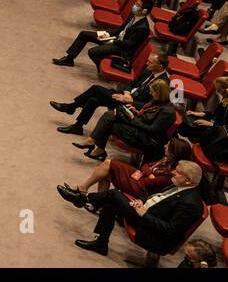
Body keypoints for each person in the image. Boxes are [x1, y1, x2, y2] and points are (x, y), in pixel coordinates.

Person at [74, 161, 204, 258]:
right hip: (145, 212)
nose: (173, 172)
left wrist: (144, 214)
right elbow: (155, 196)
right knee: (112, 199)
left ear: (188, 180)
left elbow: (170, 231)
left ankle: (83, 198)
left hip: (153, 233)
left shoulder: (191, 204)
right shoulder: (180, 184)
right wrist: (141, 201)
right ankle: (101, 243)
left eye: (178, 172)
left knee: (114, 194)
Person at [51, 50, 170, 135]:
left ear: (160, 66)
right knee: (93, 100)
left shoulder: (163, 83)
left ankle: (71, 107)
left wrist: (130, 100)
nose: (147, 64)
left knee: (96, 89)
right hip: (125, 96)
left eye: (151, 62)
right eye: (148, 61)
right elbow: (131, 83)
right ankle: (77, 126)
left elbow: (153, 105)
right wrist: (127, 93)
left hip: (133, 106)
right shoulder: (149, 70)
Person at [57, 137, 192, 209]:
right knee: (108, 167)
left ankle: (86, 193)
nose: (165, 146)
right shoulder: (166, 159)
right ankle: (95, 201)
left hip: (141, 190)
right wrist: (148, 172)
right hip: (139, 177)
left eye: (168, 145)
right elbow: (146, 166)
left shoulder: (173, 172)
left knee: (109, 166)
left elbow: (148, 182)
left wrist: (148, 173)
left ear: (174, 151)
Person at [72, 80, 176, 162]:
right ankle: (96, 145)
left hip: (145, 138)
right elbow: (147, 115)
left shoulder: (167, 112)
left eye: (152, 91)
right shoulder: (158, 101)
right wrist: (136, 112)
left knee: (110, 121)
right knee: (111, 115)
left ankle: (96, 145)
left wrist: (133, 119)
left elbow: (152, 129)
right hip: (139, 127)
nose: (150, 93)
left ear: (159, 93)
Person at [52, 2, 150, 69]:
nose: (134, 6)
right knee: (84, 34)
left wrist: (112, 41)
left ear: (145, 11)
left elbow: (129, 44)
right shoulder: (134, 15)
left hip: (122, 49)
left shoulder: (143, 27)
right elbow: (120, 29)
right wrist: (106, 34)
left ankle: (102, 68)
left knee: (92, 52)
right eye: (135, 3)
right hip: (116, 39)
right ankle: (69, 59)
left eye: (137, 5)